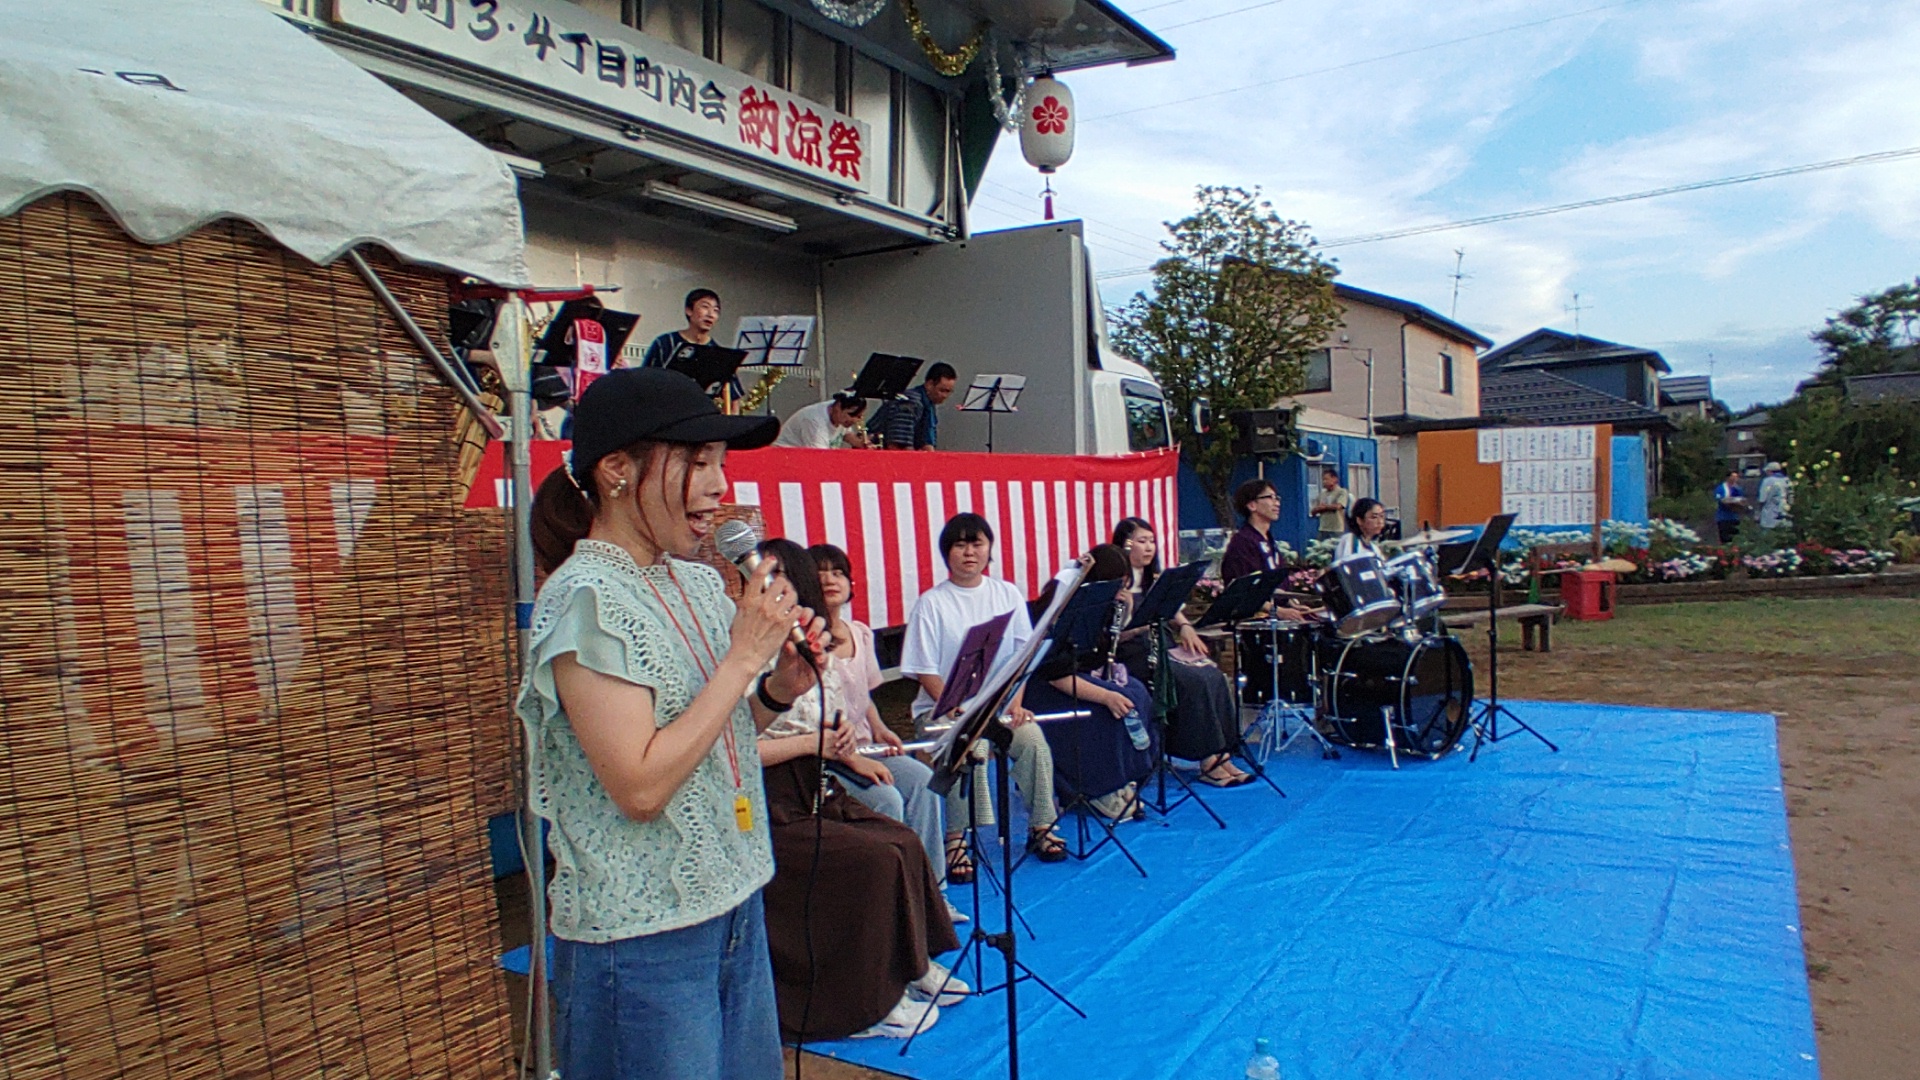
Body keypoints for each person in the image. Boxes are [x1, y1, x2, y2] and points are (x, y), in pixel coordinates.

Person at [516, 367, 816, 1080]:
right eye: (698, 463)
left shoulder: (697, 581)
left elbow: (714, 732)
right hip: (641, 941)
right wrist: (743, 659)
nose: (718, 488)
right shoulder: (585, 599)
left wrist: (777, 689)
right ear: (617, 470)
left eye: (721, 464)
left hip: (733, 900)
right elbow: (642, 786)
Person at [747, 539, 964, 1041]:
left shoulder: (808, 643)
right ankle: (869, 1001)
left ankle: (913, 962)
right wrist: (820, 744)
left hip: (818, 779)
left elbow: (839, 712)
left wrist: (845, 741)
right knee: (874, 857)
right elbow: (737, 748)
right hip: (771, 799)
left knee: (902, 839)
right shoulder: (744, 655)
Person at [797, 542, 962, 917]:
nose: (830, 579)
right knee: (887, 798)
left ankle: (933, 893)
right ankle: (896, 904)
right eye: (820, 572)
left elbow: (864, 696)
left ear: (851, 584)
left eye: (838, 572)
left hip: (866, 747)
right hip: (829, 756)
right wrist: (854, 756)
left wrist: (881, 728)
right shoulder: (804, 640)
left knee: (923, 781)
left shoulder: (860, 633)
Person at [899, 513, 1068, 876]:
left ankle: (1042, 825)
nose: (969, 552)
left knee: (1033, 741)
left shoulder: (1007, 593)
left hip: (998, 707)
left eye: (977, 544)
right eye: (960, 545)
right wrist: (954, 709)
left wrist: (1017, 703)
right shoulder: (931, 603)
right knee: (969, 747)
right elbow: (924, 670)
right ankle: (957, 838)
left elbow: (1023, 655)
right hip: (943, 712)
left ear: (989, 549)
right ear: (947, 553)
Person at [1110, 517, 1251, 787]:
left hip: (1164, 645)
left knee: (1213, 675)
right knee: (1192, 681)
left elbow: (1173, 609)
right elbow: (1116, 635)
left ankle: (1223, 754)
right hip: (1135, 654)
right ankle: (1206, 760)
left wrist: (1185, 627)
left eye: (1151, 541)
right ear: (1126, 545)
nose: (1148, 547)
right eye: (1141, 541)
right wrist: (1139, 625)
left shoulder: (1156, 580)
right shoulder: (1118, 585)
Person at [1024, 545, 1159, 823]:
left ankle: (1125, 778)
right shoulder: (1065, 607)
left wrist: (1125, 615)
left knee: (1136, 694)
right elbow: (1054, 671)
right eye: (1118, 583)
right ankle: (1096, 788)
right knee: (1106, 710)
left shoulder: (1100, 606)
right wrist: (1106, 696)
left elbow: (1098, 653)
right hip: (1044, 687)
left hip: (1074, 675)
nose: (1122, 589)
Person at [642, 287, 743, 402]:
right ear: (689, 310)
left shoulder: (720, 355)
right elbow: (644, 380)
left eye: (716, 310)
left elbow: (733, 398)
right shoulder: (664, 343)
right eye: (705, 307)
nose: (711, 314)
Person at [869, 362, 957, 450]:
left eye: (949, 391)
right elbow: (898, 444)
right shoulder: (910, 402)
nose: (945, 396)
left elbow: (926, 443)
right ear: (929, 384)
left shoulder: (928, 404)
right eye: (942, 390)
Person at [773, 391, 870, 449]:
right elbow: (820, 457)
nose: (854, 420)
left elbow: (846, 434)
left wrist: (860, 443)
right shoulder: (815, 423)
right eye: (851, 415)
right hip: (787, 456)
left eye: (859, 417)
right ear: (838, 407)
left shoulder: (839, 414)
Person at [1334, 497, 1389, 562]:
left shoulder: (1374, 548)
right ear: (1359, 520)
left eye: (1382, 516)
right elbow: (1350, 565)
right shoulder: (1350, 539)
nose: (1380, 522)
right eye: (1374, 517)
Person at [1310, 468, 1353, 538]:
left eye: (1326, 479)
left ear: (1334, 479)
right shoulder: (1322, 494)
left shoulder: (1341, 492)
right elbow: (1313, 511)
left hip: (1336, 529)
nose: (1324, 482)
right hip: (1323, 528)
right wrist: (1317, 509)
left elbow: (1339, 506)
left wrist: (1325, 507)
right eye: (1323, 480)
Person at [1714, 470, 1748, 544]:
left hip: (1735, 517)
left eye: (1736, 477)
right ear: (1728, 477)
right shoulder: (1721, 488)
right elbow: (1721, 500)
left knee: (1736, 539)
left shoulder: (1738, 488)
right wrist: (1732, 501)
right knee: (1725, 539)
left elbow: (1742, 500)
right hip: (1723, 518)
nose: (1735, 479)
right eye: (1733, 476)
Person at [1758, 462, 1792, 530]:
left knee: (1768, 532)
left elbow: (1762, 498)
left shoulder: (1767, 481)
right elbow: (1791, 496)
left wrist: (1758, 511)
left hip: (1770, 514)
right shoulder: (1787, 480)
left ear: (1769, 471)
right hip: (1785, 511)